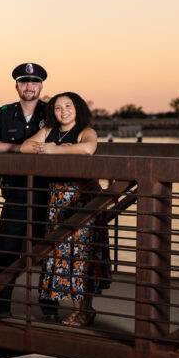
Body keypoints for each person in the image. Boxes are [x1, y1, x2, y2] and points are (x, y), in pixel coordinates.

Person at [21, 91, 104, 327]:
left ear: (77, 108)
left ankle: (85, 310)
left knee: (82, 254)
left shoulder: (85, 130)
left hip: (84, 199)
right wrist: (47, 146)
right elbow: (25, 147)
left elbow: (88, 149)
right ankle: (80, 310)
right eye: (58, 107)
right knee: (64, 254)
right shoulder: (49, 131)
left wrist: (53, 149)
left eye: (68, 106)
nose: (63, 111)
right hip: (57, 200)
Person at [0, 62, 48, 319]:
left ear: (41, 85)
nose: (29, 86)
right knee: (6, 251)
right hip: (16, 194)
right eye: (24, 81)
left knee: (49, 254)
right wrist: (16, 148)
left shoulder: (51, 112)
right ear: (16, 85)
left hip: (47, 195)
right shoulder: (4, 113)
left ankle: (50, 310)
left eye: (35, 82)